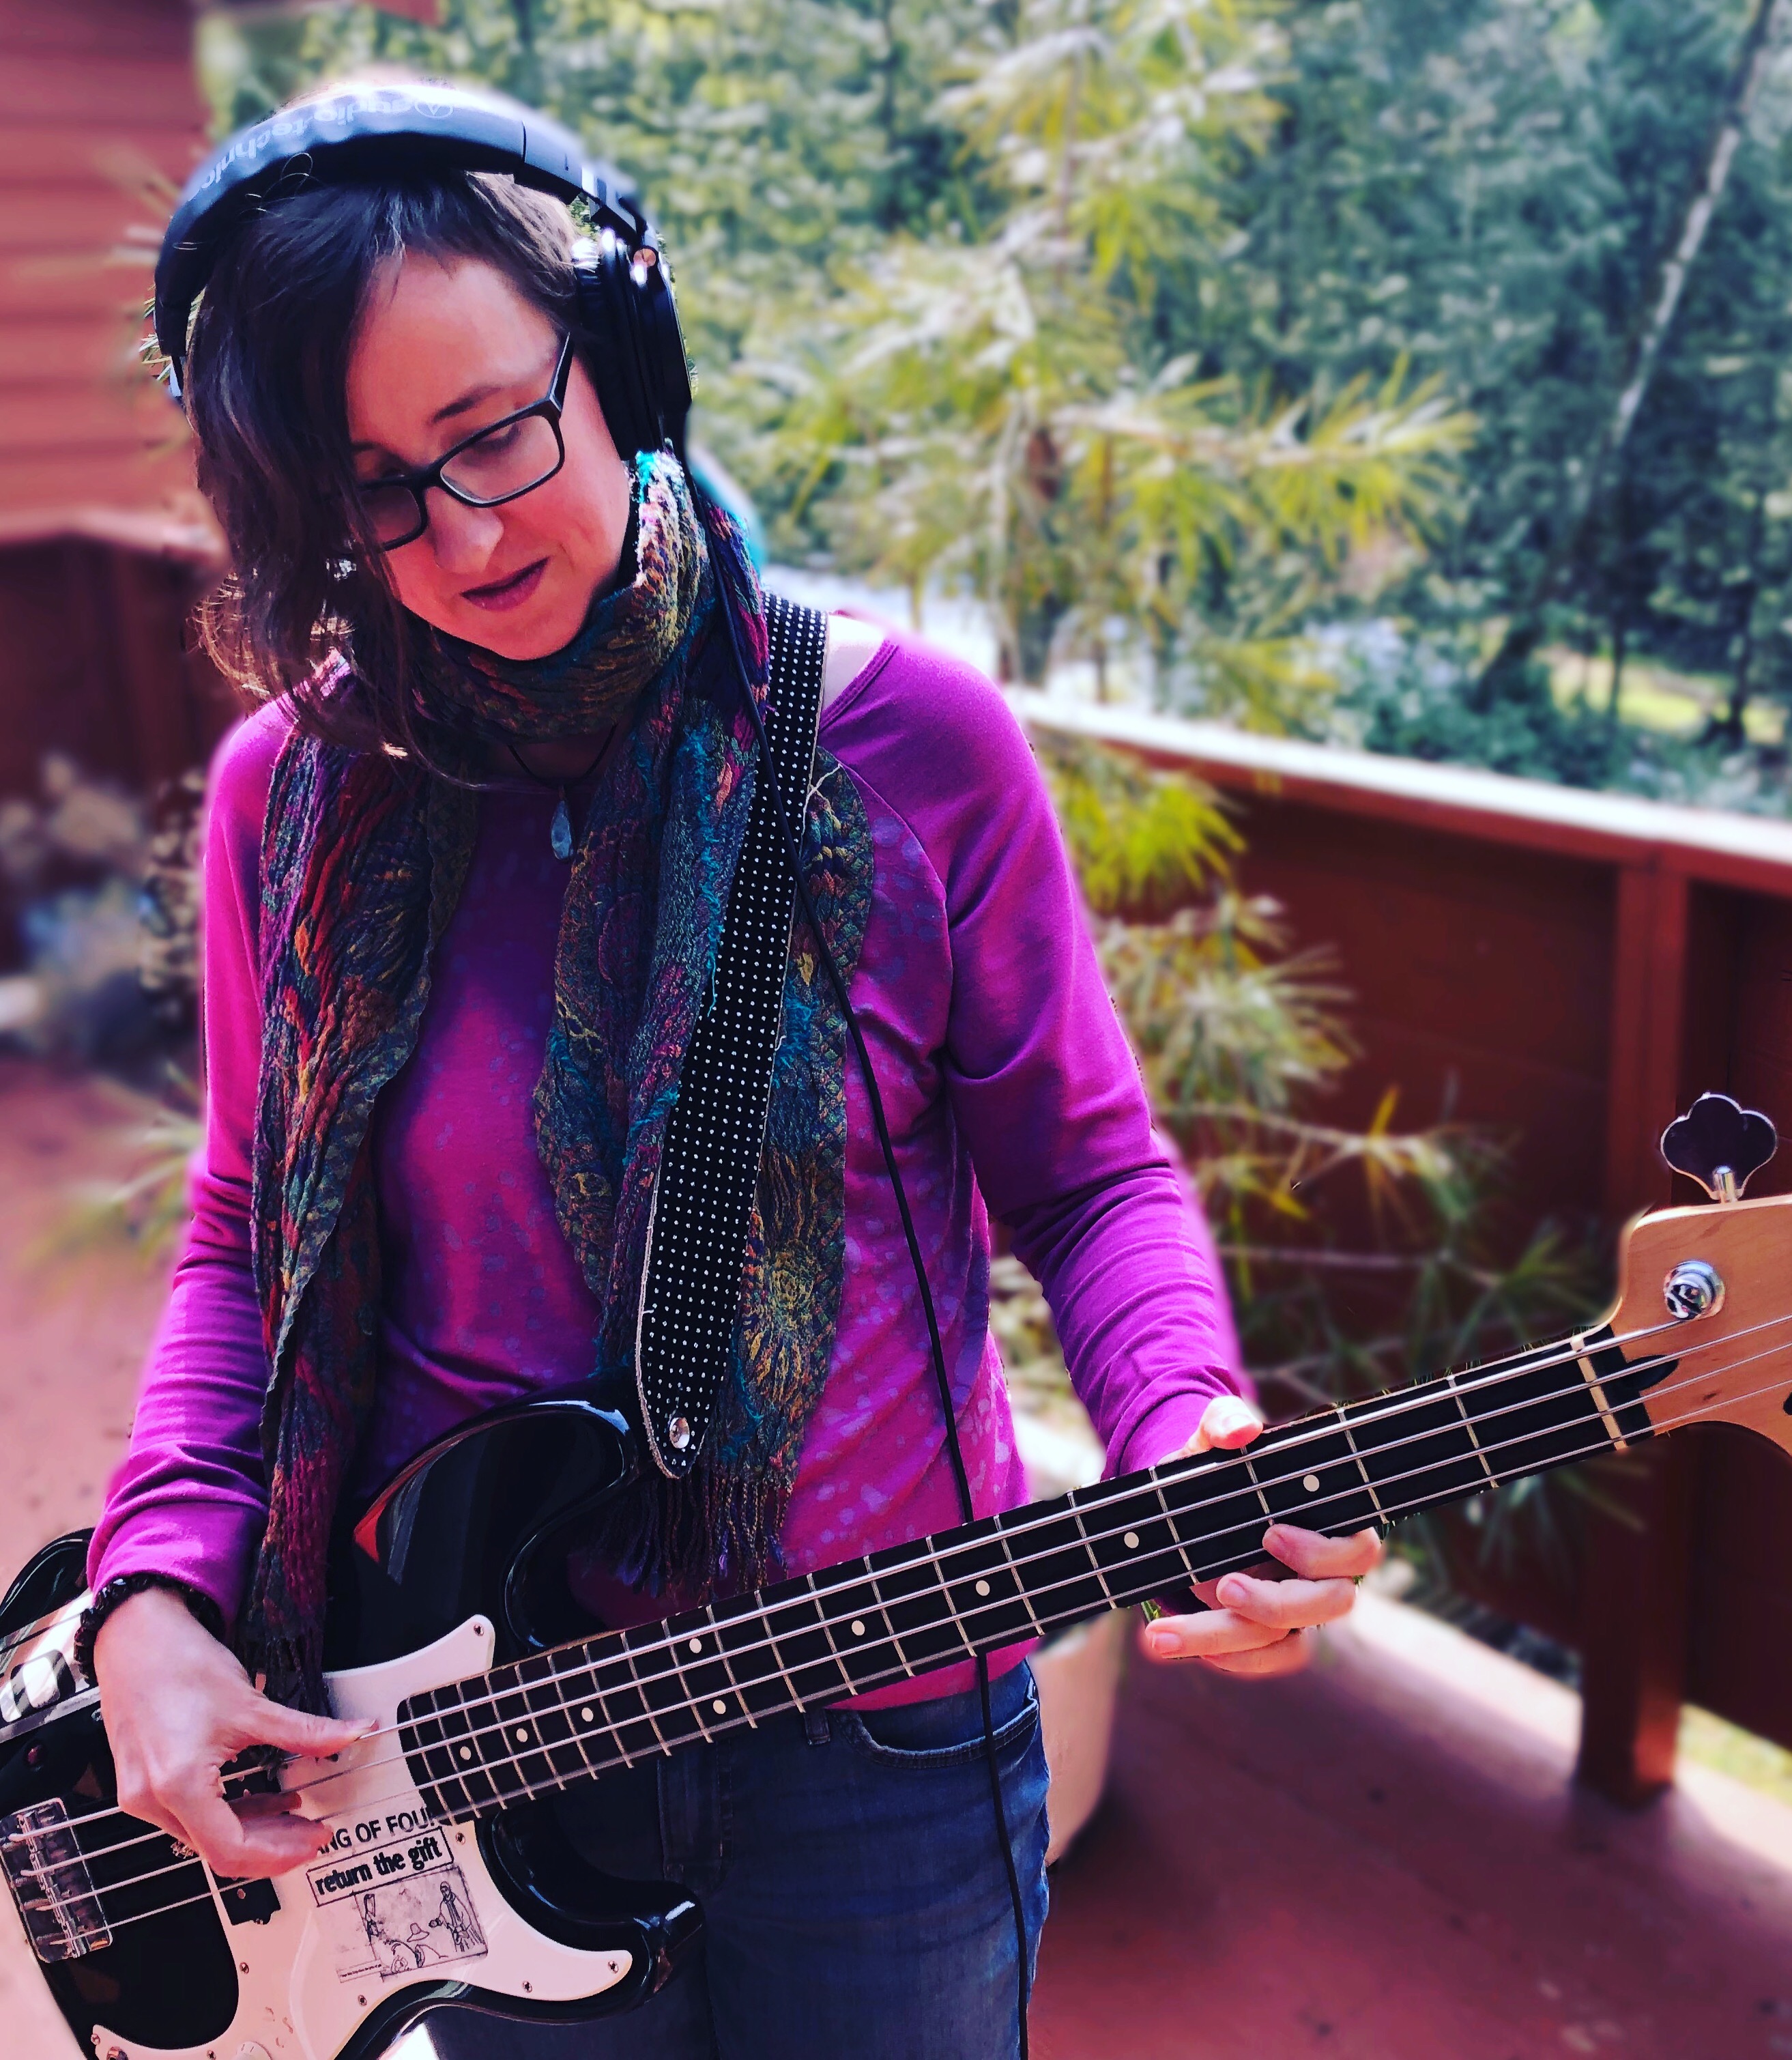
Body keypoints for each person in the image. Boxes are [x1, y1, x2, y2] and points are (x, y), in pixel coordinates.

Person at [81, 81, 1381, 2060]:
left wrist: (1181, 1420)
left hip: (880, 1737)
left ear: (621, 359)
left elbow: (1088, 1173)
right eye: (375, 490)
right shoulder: (298, 801)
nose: (466, 530)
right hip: (454, 1744)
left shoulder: (900, 749)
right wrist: (159, 1587)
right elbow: (248, 1226)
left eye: (494, 433)